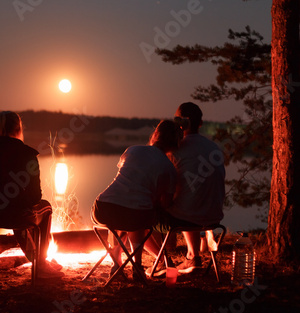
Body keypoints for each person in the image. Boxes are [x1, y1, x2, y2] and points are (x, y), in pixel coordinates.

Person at [0, 111, 64, 279]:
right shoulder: (27, 154)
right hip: (17, 217)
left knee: (17, 210)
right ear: (18, 128)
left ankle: (40, 262)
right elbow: (34, 197)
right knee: (44, 207)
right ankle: (41, 263)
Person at [92, 120, 181, 276]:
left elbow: (124, 181)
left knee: (124, 213)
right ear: (175, 144)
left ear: (155, 135)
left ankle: (117, 264)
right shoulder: (169, 169)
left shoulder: (132, 150)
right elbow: (165, 203)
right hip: (135, 215)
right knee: (136, 214)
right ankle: (138, 265)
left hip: (103, 208)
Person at [164, 102, 225, 273]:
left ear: (180, 122)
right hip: (214, 216)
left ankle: (163, 260)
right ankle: (193, 256)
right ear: (200, 123)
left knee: (151, 206)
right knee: (189, 196)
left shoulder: (176, 149)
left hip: (187, 216)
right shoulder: (214, 147)